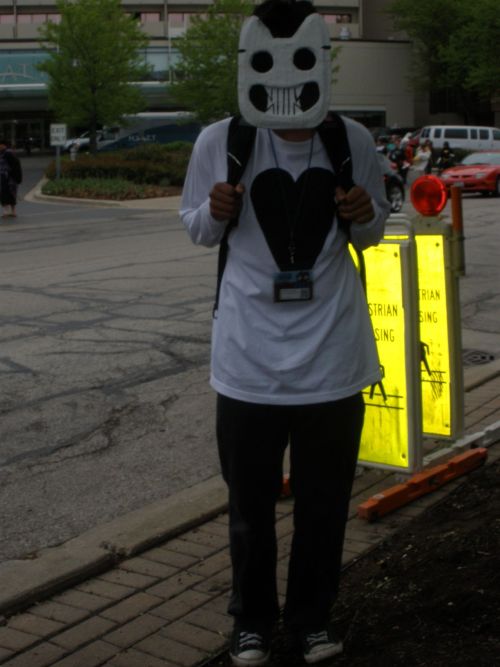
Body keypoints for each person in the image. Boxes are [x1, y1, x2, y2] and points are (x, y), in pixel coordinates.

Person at [180, 1, 390, 665]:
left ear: (320, 63)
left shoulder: (351, 141)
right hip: (247, 363)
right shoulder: (223, 140)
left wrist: (362, 212)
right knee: (249, 509)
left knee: (324, 506)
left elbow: (375, 229)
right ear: (248, 63)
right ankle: (251, 620)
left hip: (334, 359)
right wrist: (215, 211)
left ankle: (310, 619)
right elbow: (196, 226)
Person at [0, 138, 22, 219]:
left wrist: (15, 176)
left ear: (3, 145)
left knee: (9, 193)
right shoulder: (3, 153)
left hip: (9, 177)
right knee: (5, 193)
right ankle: (8, 211)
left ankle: (12, 212)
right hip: (4, 176)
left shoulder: (8, 153)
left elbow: (16, 165)